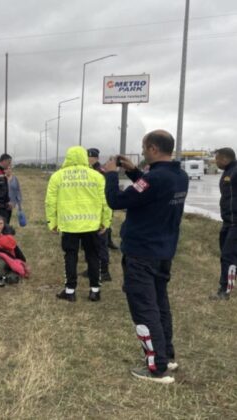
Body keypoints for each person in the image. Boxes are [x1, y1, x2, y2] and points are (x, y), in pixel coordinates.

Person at [102, 130, 188, 384]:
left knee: (144, 308)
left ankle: (156, 367)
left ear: (152, 148)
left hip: (141, 253)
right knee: (160, 305)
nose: (141, 152)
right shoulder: (178, 176)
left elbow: (116, 200)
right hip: (163, 251)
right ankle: (167, 355)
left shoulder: (155, 179)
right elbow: (149, 192)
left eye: (143, 147)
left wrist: (110, 174)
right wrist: (132, 172)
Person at [45, 146, 112, 302]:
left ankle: (70, 291)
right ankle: (95, 291)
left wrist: (52, 222)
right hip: (92, 224)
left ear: (67, 157)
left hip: (69, 225)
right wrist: (105, 222)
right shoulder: (97, 176)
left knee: (70, 256)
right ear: (84, 157)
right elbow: (106, 201)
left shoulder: (57, 177)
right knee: (93, 256)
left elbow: (50, 202)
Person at [211, 147, 237, 300]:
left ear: (226, 159)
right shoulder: (227, 172)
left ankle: (224, 291)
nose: (216, 161)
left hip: (235, 222)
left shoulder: (235, 171)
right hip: (228, 221)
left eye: (218, 159)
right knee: (227, 254)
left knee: (228, 255)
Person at [88, 148, 114, 282]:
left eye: (89, 157)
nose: (87, 160)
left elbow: (104, 194)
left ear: (95, 158)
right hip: (92, 212)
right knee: (93, 244)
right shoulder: (92, 171)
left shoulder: (100, 172)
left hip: (100, 211)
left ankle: (104, 272)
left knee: (101, 243)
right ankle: (93, 268)